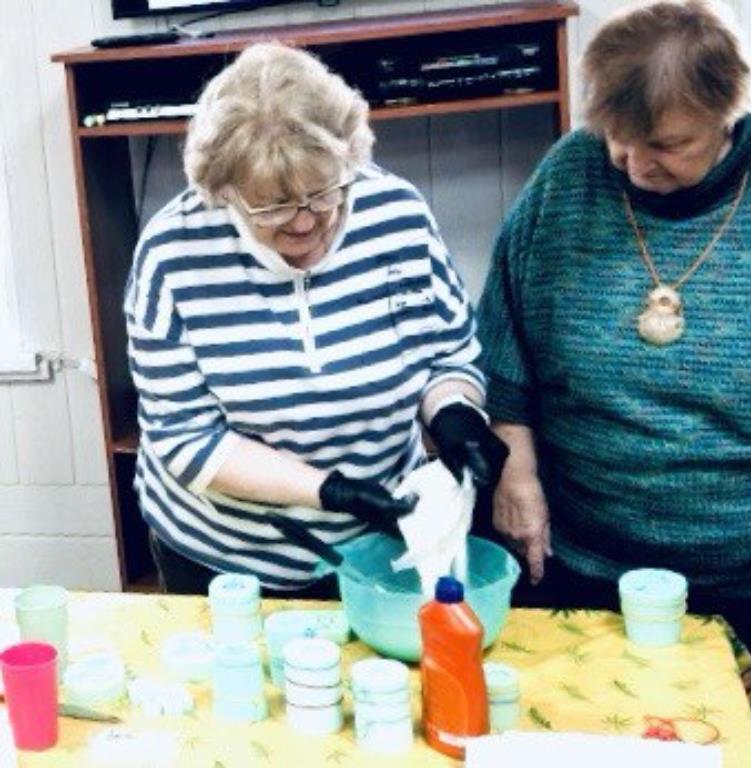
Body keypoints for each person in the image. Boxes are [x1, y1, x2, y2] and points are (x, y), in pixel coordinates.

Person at [476, 0, 751, 760]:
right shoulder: (569, 174)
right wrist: (519, 477)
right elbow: (503, 351)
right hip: (586, 566)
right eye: (619, 141)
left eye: (668, 145)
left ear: (731, 112)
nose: (636, 165)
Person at [125, 43, 507, 598]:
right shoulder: (173, 253)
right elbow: (185, 439)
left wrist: (453, 411)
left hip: (379, 537)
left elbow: (447, 354)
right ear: (224, 190)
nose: (305, 222)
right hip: (225, 556)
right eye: (273, 206)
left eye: (324, 193)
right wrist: (330, 491)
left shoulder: (396, 214)